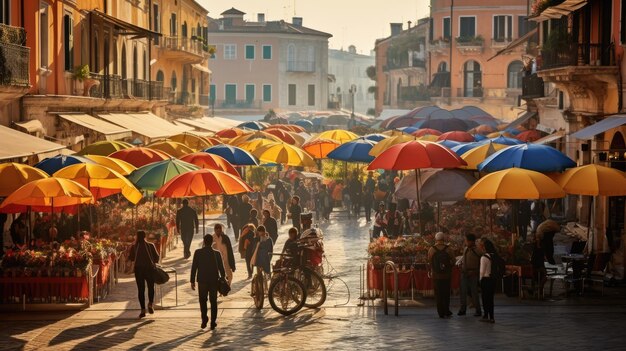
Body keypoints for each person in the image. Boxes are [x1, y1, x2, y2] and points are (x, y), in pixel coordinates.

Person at [190, 234, 226, 330]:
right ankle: (213, 322)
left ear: (204, 242)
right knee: (213, 301)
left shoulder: (198, 252)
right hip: (214, 280)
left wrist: (192, 280)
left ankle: (204, 319)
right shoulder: (217, 253)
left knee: (203, 300)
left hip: (202, 280)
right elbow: (221, 268)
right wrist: (223, 278)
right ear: (212, 242)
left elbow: (194, 267)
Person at [128, 230, 160, 318]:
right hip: (149, 269)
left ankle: (142, 309)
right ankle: (150, 303)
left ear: (137, 237)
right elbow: (157, 257)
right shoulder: (151, 245)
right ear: (145, 236)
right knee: (150, 287)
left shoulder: (134, 246)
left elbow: (131, 258)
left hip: (139, 270)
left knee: (141, 290)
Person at [428, 232, 454, 319]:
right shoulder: (449, 249)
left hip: (436, 275)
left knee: (438, 294)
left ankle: (440, 312)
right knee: (446, 293)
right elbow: (453, 261)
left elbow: (430, 261)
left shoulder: (432, 249)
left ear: (436, 239)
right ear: (444, 239)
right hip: (446, 275)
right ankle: (447, 310)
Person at [458, 234, 483, 317]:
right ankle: (463, 309)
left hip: (473, 274)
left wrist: (477, 271)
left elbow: (482, 262)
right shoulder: (465, 249)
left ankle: (478, 310)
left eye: (466, 240)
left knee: (474, 292)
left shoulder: (478, 250)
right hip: (464, 273)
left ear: (471, 241)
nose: (465, 242)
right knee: (463, 292)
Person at [479, 238, 498, 323]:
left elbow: (482, 271)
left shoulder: (484, 257)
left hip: (486, 279)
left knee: (485, 299)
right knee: (491, 299)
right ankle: (492, 317)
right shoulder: (494, 255)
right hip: (493, 279)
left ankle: (486, 315)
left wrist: (480, 280)